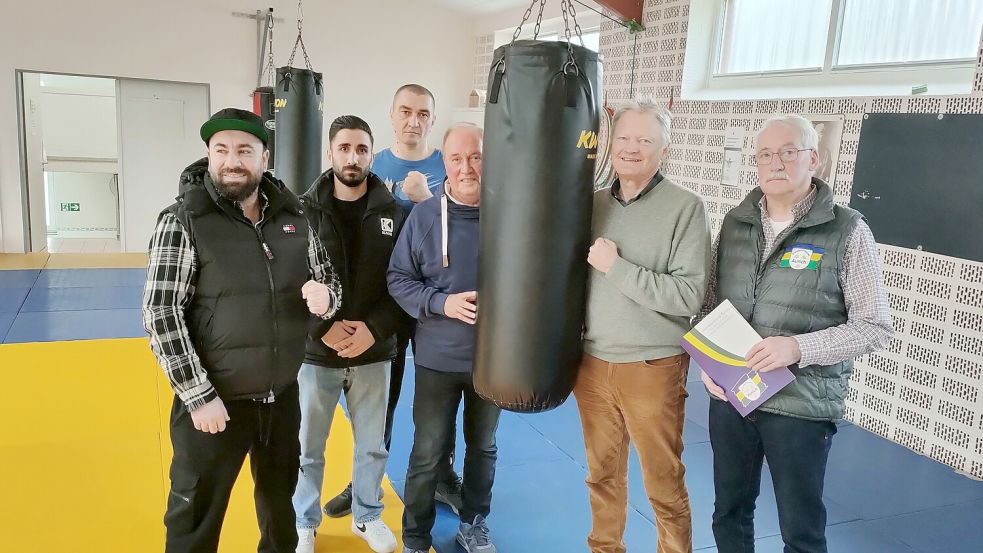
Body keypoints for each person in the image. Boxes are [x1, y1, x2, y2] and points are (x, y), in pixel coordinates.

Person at [142, 107, 341, 553]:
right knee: (195, 518)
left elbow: (329, 281)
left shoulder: (295, 218)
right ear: (209, 156)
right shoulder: (183, 220)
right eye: (222, 150)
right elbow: (161, 313)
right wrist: (199, 395)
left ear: (264, 158)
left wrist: (328, 297)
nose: (233, 160)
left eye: (244, 150)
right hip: (214, 405)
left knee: (280, 513)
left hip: (281, 398)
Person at [701, 114, 893, 553]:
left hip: (801, 406)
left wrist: (797, 348)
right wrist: (710, 364)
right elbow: (710, 305)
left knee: (800, 529)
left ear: (814, 159)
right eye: (765, 154)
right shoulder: (735, 223)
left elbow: (875, 326)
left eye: (788, 151)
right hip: (731, 396)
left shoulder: (848, 230)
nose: (776, 162)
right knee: (729, 512)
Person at [576, 99, 711, 553]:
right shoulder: (590, 204)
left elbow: (688, 296)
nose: (632, 149)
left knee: (663, 484)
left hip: (652, 366)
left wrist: (617, 268)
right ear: (611, 144)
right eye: (625, 138)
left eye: (645, 140)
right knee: (601, 476)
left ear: (664, 149)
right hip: (591, 364)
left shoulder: (686, 209)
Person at [323, 83, 463, 519]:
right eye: (406, 111)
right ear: (392, 114)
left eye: (423, 113)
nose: (413, 120)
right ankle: (361, 481)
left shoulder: (450, 166)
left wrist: (429, 200)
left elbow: (473, 221)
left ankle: (441, 473)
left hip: (441, 301)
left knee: (442, 396)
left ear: (432, 119)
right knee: (380, 398)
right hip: (389, 300)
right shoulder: (371, 163)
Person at [292, 115, 405, 553]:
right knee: (308, 447)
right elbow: (289, 281)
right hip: (317, 351)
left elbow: (404, 283)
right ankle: (305, 522)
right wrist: (323, 328)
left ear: (371, 154)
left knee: (372, 446)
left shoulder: (393, 212)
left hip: (374, 350)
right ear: (330, 153)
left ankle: (367, 515)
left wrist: (373, 330)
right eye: (345, 148)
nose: (352, 157)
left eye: (361, 149)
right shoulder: (301, 211)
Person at [388, 124, 499, 553]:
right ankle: (415, 538)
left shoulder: (509, 216)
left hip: (494, 361)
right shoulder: (424, 216)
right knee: (427, 451)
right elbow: (398, 279)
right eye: (457, 158)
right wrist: (441, 304)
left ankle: (474, 523)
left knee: (483, 448)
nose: (467, 166)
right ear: (445, 163)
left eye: (476, 156)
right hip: (437, 359)